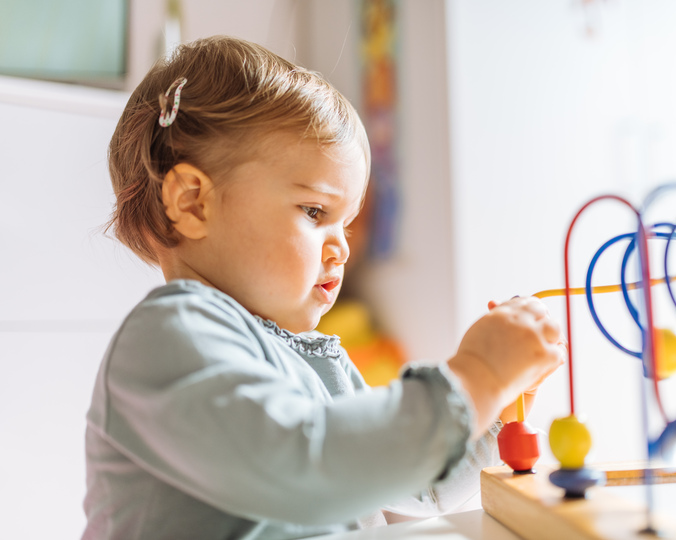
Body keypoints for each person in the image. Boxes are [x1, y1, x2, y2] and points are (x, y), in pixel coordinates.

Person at [82, 36, 565, 540]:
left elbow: (405, 489)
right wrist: (478, 375)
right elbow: (309, 470)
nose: (342, 249)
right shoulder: (168, 337)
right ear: (194, 202)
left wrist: (496, 405)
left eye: (347, 225)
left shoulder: (303, 358)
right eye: (315, 212)